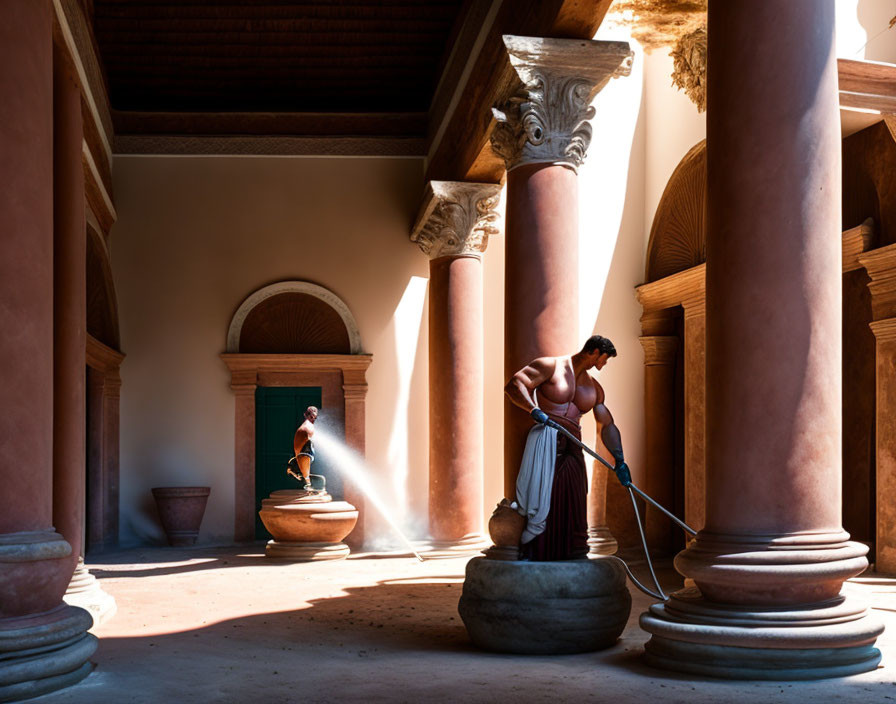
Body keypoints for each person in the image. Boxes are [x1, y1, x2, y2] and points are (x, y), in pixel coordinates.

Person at [504, 335, 630, 561]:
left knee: (575, 495)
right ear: (595, 352)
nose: (603, 364)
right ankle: (539, 552)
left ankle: (572, 551)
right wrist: (533, 410)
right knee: (543, 497)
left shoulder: (594, 387)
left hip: (573, 446)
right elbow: (515, 385)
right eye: (604, 359)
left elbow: (607, 424)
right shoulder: (550, 366)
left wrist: (619, 460)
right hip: (546, 440)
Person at [288, 406, 319, 489]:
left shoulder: (307, 427)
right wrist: (307, 480)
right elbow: (304, 456)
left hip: (302, 460)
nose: (313, 419)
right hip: (302, 460)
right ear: (310, 416)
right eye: (313, 417)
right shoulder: (306, 429)